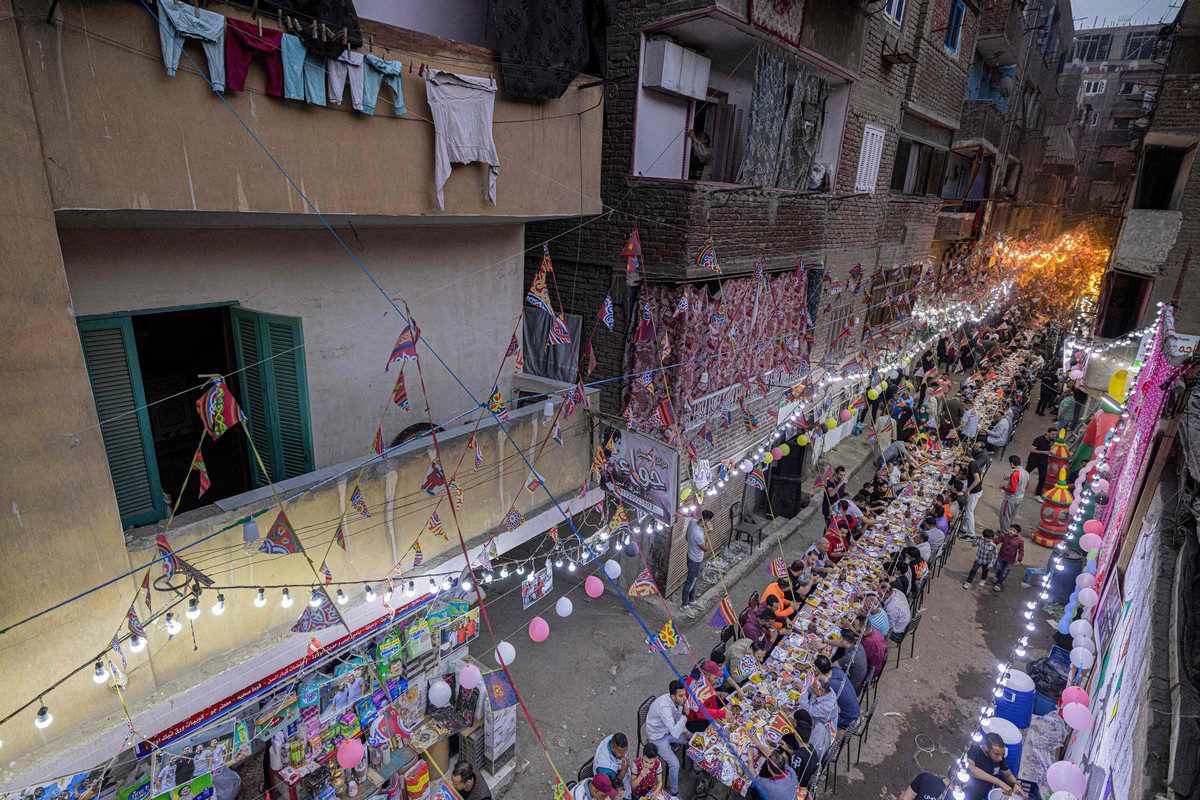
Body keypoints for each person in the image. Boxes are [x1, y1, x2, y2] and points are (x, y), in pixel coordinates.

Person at [644, 681, 688, 796]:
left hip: (667, 730)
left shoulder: (678, 703)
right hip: (657, 738)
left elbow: (677, 720)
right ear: (673, 696)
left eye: (685, 695)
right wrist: (686, 716)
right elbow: (674, 732)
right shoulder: (665, 707)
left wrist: (685, 732)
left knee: (693, 739)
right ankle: (675, 791)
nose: (685, 698)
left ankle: (698, 769)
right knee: (675, 764)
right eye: (681, 696)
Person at [964, 733, 1026, 800]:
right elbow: (972, 769)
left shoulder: (999, 757)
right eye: (997, 754)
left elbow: (1008, 775)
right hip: (969, 794)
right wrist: (1000, 783)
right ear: (986, 748)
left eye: (1002, 755)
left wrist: (1015, 784)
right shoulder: (975, 750)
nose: (1000, 758)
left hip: (985, 794)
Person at [814, 654, 860, 729]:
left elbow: (837, 710)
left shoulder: (828, 685)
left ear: (818, 669)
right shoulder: (836, 669)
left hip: (847, 719)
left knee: (818, 713)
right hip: (855, 710)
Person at [795, 678, 837, 758]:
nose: (812, 688)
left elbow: (806, 710)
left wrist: (803, 692)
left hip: (822, 732)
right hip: (814, 722)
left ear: (821, 691)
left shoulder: (827, 706)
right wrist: (802, 685)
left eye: (814, 688)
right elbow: (809, 687)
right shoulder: (825, 689)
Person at [681, 509, 712, 615]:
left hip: (691, 555)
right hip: (695, 559)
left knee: (694, 579)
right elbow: (706, 548)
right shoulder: (698, 533)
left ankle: (692, 600)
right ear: (707, 520)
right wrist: (709, 534)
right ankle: (684, 604)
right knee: (690, 581)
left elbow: (686, 537)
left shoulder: (692, 522)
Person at [779, 710, 821, 787]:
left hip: (799, 785)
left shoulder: (798, 755)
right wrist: (788, 750)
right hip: (808, 778)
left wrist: (786, 762)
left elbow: (792, 777)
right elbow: (802, 759)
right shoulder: (811, 747)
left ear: (797, 736)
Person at [998, 455, 1030, 533]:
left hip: (1011, 499)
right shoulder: (1026, 473)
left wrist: (1003, 487)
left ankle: (1004, 533)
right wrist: (1009, 479)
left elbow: (1012, 489)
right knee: (1012, 516)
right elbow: (1026, 485)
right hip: (1020, 498)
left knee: (1005, 516)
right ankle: (1009, 531)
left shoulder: (1015, 474)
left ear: (1012, 463)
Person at [964, 442, 987, 540]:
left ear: (967, 457)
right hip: (976, 490)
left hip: (975, 491)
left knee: (969, 512)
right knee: (968, 510)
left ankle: (971, 534)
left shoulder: (973, 464)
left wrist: (968, 490)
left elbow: (977, 479)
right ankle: (964, 528)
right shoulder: (974, 462)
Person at [993, 524, 1025, 591]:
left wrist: (1019, 559)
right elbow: (996, 541)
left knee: (1005, 572)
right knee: (997, 567)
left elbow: (1021, 550)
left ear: (1017, 533)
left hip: (1010, 560)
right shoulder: (1003, 536)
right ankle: (997, 575)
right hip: (1001, 556)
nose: (1011, 531)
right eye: (1010, 529)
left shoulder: (1019, 541)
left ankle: (999, 583)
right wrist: (989, 541)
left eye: (1014, 531)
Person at [1026, 427, 1056, 496]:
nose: (1054, 436)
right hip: (1034, 460)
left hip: (1043, 462)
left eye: (1055, 435)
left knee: (1042, 478)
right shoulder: (1038, 439)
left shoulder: (1052, 441)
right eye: (1053, 434)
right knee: (1025, 474)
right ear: (1048, 433)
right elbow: (1032, 449)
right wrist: (1044, 452)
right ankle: (1017, 486)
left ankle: (1038, 494)